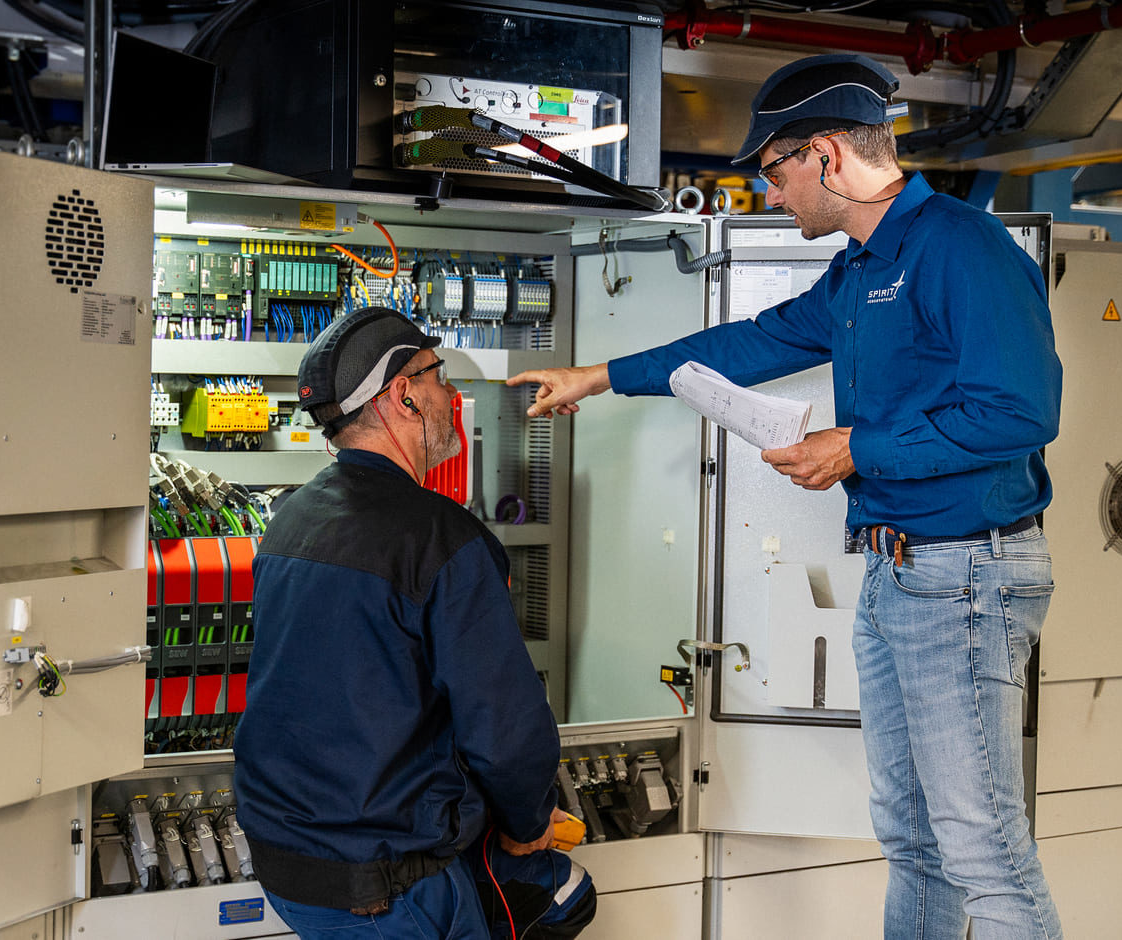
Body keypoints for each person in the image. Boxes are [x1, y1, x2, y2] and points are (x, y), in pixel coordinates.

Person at [508, 54, 1064, 939]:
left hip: (964, 576)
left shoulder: (962, 248)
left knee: (983, 851)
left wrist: (854, 448)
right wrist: (598, 375)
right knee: (913, 838)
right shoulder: (858, 270)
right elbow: (752, 342)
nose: (770, 194)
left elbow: (1021, 413)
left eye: (774, 171)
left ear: (828, 156)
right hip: (897, 573)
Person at [235, 307, 595, 939]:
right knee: (564, 894)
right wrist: (528, 822)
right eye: (439, 375)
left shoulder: (291, 521)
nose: (450, 393)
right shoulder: (443, 540)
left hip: (287, 864)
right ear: (404, 395)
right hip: (388, 887)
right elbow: (504, 724)